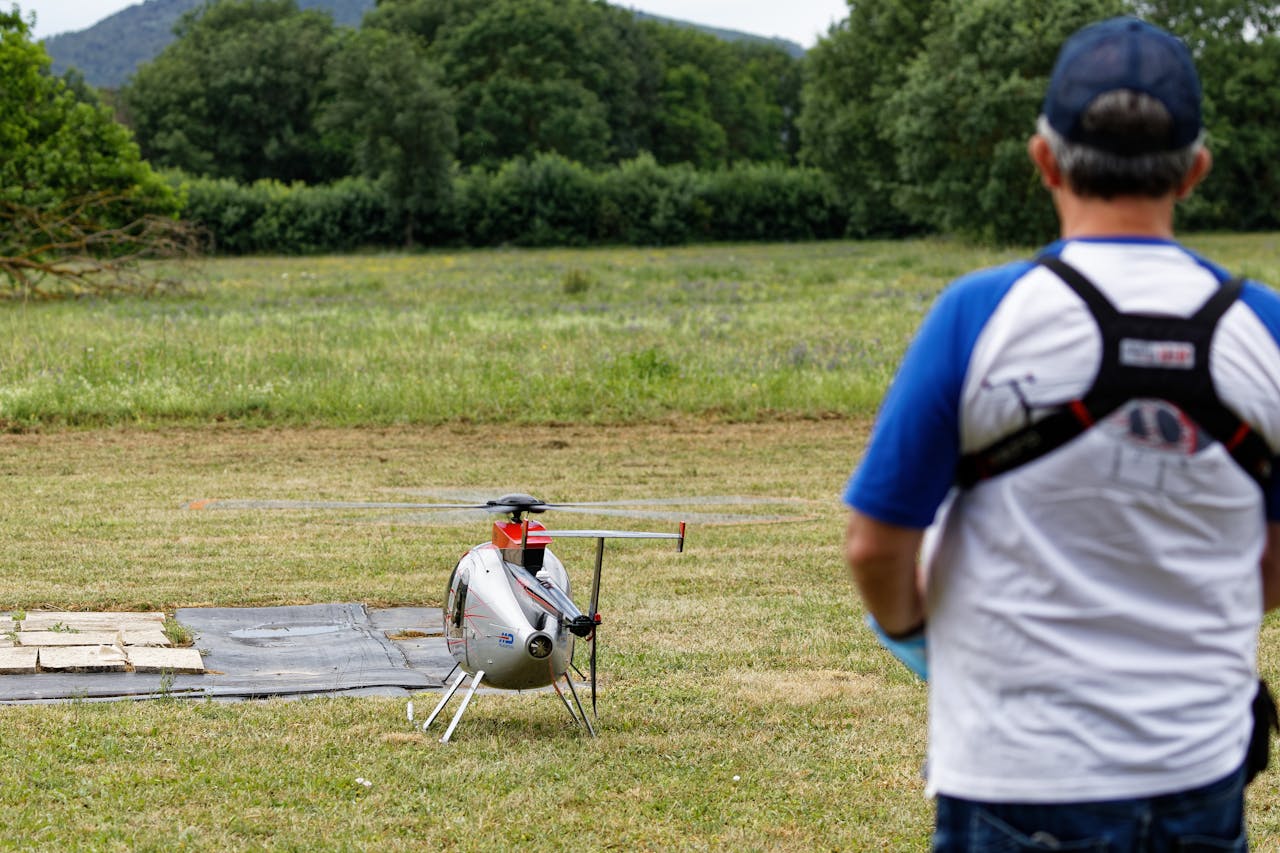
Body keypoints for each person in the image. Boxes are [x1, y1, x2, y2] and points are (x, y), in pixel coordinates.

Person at [842, 16, 1280, 852]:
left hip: (1014, 776)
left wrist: (911, 631)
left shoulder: (976, 314)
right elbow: (1272, 560)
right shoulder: (1268, 328)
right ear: (1195, 171)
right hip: (1199, 771)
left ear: (1044, 160)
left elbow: (875, 548)